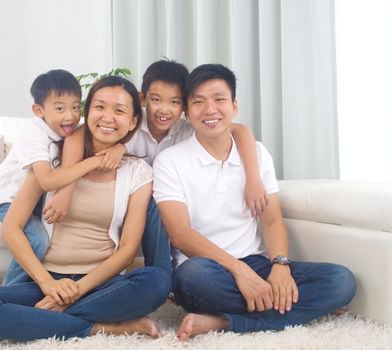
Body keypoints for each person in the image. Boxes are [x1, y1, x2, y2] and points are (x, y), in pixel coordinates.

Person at [0, 76, 170, 341]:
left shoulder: (138, 172)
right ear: (86, 113)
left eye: (119, 110)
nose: (107, 117)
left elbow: (127, 252)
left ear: (133, 121)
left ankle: (47, 319)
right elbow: (12, 228)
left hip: (99, 283)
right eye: (99, 107)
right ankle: (99, 327)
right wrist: (48, 284)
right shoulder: (50, 160)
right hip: (49, 281)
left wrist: (76, 291)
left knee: (157, 282)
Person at [152, 63, 356, 340]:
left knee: (340, 281)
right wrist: (239, 272)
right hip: (207, 269)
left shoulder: (257, 154)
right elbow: (180, 234)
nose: (210, 109)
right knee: (192, 278)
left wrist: (280, 266)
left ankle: (222, 322)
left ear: (235, 106)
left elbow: (271, 220)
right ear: (187, 113)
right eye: (198, 102)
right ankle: (288, 309)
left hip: (257, 262)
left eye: (219, 99)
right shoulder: (170, 161)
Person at [43, 59, 268, 279]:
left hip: (171, 200)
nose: (164, 110)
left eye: (175, 102)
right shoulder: (129, 124)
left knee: (162, 204)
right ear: (142, 99)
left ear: (185, 106)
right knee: (154, 203)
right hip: (129, 196)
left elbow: (240, 131)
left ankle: (165, 277)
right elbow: (77, 136)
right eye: (156, 100)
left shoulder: (187, 129)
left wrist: (253, 178)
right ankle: (161, 273)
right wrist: (67, 189)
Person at [0, 69, 120, 285]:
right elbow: (46, 180)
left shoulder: (68, 129)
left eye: (76, 107)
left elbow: (105, 131)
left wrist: (119, 148)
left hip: (38, 199)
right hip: (7, 198)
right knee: (38, 239)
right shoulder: (34, 134)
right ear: (38, 110)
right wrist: (94, 162)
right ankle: (10, 289)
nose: (70, 115)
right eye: (60, 108)